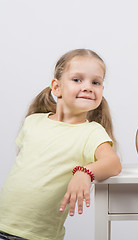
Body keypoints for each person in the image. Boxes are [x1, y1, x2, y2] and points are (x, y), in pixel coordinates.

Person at [0, 49, 122, 240]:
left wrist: (84, 172)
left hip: (37, 236)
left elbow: (113, 163)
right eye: (77, 80)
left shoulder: (91, 132)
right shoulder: (33, 121)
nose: (88, 87)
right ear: (57, 87)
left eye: (95, 82)